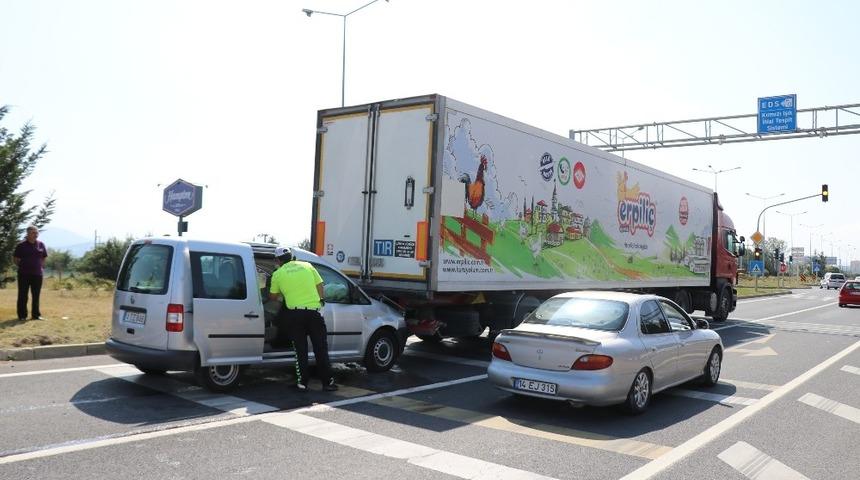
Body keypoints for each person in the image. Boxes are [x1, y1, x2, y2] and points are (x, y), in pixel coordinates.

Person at [268, 246, 338, 392]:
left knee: (300, 350)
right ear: (292, 256)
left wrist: (285, 295)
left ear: (277, 260)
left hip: (295, 315)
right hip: (314, 313)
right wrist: (321, 300)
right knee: (321, 348)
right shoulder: (307, 265)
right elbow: (320, 284)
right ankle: (327, 383)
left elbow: (273, 297)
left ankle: (302, 383)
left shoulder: (278, 274)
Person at [13, 226, 48, 321]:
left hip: (37, 274)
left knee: (36, 295)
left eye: (36, 233)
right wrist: (23, 266)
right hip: (24, 274)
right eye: (33, 233)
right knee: (23, 295)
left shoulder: (41, 244)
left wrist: (41, 267)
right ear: (28, 234)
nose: (35, 234)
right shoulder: (21, 245)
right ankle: (22, 316)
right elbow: (15, 259)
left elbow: (44, 257)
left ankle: (36, 315)